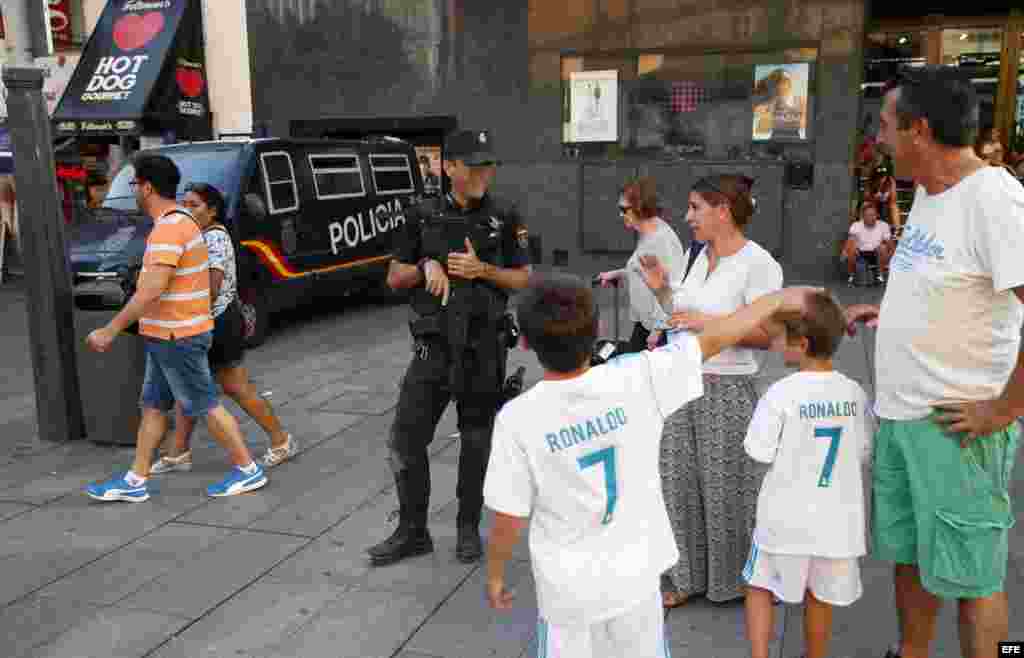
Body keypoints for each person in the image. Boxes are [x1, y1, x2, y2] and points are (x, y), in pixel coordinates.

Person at [483, 270, 820, 658]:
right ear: (595, 330)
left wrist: (495, 573)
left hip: (568, 592)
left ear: (524, 341)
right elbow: (715, 338)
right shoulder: (637, 377)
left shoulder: (519, 418)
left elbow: (508, 516)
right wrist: (775, 299)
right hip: (638, 578)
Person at [846, 66, 1023, 658]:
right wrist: (892, 312)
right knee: (911, 557)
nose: (881, 138)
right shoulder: (926, 191)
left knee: (974, 576)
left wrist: (1005, 408)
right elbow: (946, 281)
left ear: (919, 130)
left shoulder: (996, 199)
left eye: (888, 126)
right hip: (901, 417)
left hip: (955, 424)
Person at [365, 129, 531, 566]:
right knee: (405, 441)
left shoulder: (506, 215)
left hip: (484, 350)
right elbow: (394, 278)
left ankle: (466, 528)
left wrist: (483, 270)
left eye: (487, 165)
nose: (482, 174)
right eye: (473, 165)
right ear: (448, 167)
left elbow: (523, 278)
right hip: (433, 351)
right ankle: (412, 530)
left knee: (476, 443)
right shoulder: (420, 214)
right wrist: (426, 264)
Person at [83, 154, 267, 502]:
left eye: (134, 183)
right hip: (167, 334)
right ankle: (135, 480)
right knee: (153, 406)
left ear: (147, 187)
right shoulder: (181, 221)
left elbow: (150, 289)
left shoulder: (169, 228)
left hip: (177, 336)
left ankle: (248, 469)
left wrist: (110, 330)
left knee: (205, 404)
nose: (133, 189)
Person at [647, 174, 783, 608]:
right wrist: (664, 296)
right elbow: (685, 313)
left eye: (695, 208)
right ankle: (684, 577)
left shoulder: (758, 263)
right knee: (676, 482)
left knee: (726, 487)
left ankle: (731, 579)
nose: (687, 217)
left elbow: (770, 334)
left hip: (726, 387)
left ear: (723, 210)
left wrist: (709, 326)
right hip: (678, 380)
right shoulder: (696, 255)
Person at [742, 291, 873, 658]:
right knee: (821, 594)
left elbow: (758, 450)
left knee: (759, 585)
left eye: (780, 337)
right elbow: (864, 451)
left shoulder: (780, 393)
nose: (775, 343)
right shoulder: (854, 393)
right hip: (837, 522)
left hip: (783, 520)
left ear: (800, 344)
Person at [149, 183, 295, 475]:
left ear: (212, 210)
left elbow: (211, 288)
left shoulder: (213, 238)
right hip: (204, 322)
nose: (186, 210)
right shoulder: (200, 235)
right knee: (187, 387)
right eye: (184, 204)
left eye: (194, 205)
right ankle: (178, 452)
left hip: (218, 323)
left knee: (234, 387)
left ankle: (281, 440)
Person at [597, 176, 685, 353]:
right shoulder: (649, 232)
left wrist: (658, 330)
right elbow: (646, 269)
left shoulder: (660, 240)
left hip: (657, 331)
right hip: (645, 324)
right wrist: (619, 273)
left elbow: (670, 286)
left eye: (624, 209)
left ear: (640, 207)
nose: (620, 215)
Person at [843, 201, 893, 285]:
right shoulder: (856, 225)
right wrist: (845, 251)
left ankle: (880, 276)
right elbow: (850, 240)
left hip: (876, 253)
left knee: (883, 248)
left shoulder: (883, 225)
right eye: (868, 215)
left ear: (877, 215)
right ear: (863, 217)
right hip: (861, 253)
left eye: (873, 215)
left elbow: (890, 244)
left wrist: (891, 256)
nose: (871, 217)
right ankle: (851, 276)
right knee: (851, 248)